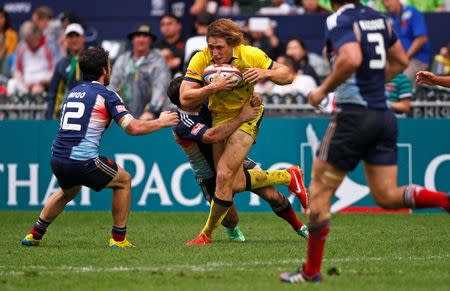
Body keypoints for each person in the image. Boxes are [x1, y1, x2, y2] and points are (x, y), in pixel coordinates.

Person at [280, 0, 450, 283]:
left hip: (352, 116)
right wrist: (371, 82)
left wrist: (322, 89)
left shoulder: (337, 19)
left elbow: (350, 59)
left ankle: (311, 272)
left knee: (319, 194)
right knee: (386, 195)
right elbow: (401, 62)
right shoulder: (379, 19)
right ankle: (445, 200)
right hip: (383, 115)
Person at [21, 47, 179, 248]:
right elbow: (133, 128)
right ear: (104, 70)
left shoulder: (72, 93)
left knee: (68, 191)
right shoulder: (107, 95)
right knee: (124, 180)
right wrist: (161, 122)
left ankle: (34, 234)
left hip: (57, 158)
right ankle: (118, 239)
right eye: (109, 66)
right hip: (82, 160)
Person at [180, 18, 305, 245]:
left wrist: (265, 73)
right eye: (211, 47)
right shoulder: (201, 58)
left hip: (248, 113)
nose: (214, 52)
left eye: (220, 47)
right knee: (233, 183)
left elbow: (287, 75)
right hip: (220, 119)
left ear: (233, 44)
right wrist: (213, 87)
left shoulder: (250, 54)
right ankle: (288, 175)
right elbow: (184, 97)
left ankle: (206, 235)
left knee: (224, 174)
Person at [168, 76, 309, 243]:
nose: (198, 92)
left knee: (273, 196)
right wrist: (241, 117)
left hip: (231, 156)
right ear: (183, 100)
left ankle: (300, 227)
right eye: (191, 92)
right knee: (230, 219)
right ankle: (286, 176)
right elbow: (212, 136)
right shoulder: (181, 122)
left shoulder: (206, 102)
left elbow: (238, 100)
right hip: (209, 174)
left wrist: (256, 97)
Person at [109, 24, 170, 120]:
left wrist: (151, 111)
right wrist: (113, 109)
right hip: (124, 116)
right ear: (132, 39)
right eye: (137, 36)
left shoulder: (158, 60)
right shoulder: (122, 59)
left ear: (151, 40)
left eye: (145, 36)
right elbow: (112, 85)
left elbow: (161, 87)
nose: (141, 39)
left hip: (151, 117)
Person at [383, 0, 431, 83]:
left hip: (416, 60)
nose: (385, 4)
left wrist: (404, 58)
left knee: (401, 83)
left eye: (387, 0)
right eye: (383, 2)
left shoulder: (412, 12)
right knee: (383, 80)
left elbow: (421, 38)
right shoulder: (387, 17)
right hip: (397, 61)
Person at [46, 23, 85, 120]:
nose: (74, 40)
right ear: (66, 40)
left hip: (89, 112)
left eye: (77, 36)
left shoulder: (92, 60)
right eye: (70, 37)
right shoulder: (61, 65)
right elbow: (53, 93)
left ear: (82, 38)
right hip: (66, 114)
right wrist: (50, 117)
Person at [7, 21, 54, 97]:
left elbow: (55, 69)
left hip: (44, 83)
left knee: (37, 90)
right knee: (12, 84)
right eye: (27, 41)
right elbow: (16, 70)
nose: (29, 43)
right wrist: (23, 82)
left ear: (37, 35)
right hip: (25, 84)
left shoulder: (48, 46)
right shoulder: (22, 47)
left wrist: (42, 82)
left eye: (31, 40)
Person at [155, 13, 185, 77]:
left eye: (169, 24)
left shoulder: (187, 43)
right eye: (163, 24)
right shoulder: (156, 46)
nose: (166, 27)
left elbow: (180, 62)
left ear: (179, 25)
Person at [0, 8, 19, 77]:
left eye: (1, 17)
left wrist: (4, 48)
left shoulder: (12, 35)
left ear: (5, 19)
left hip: (7, 66)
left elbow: (11, 54)